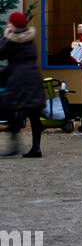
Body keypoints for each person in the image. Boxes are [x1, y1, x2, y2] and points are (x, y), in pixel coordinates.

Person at [0, 12, 46, 159]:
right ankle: (36, 148)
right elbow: (21, 60)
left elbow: (1, 53)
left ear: (13, 24)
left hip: (20, 81)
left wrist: (5, 36)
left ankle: (15, 145)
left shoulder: (13, 39)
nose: (8, 25)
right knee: (33, 114)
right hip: (34, 78)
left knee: (7, 108)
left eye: (10, 23)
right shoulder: (30, 39)